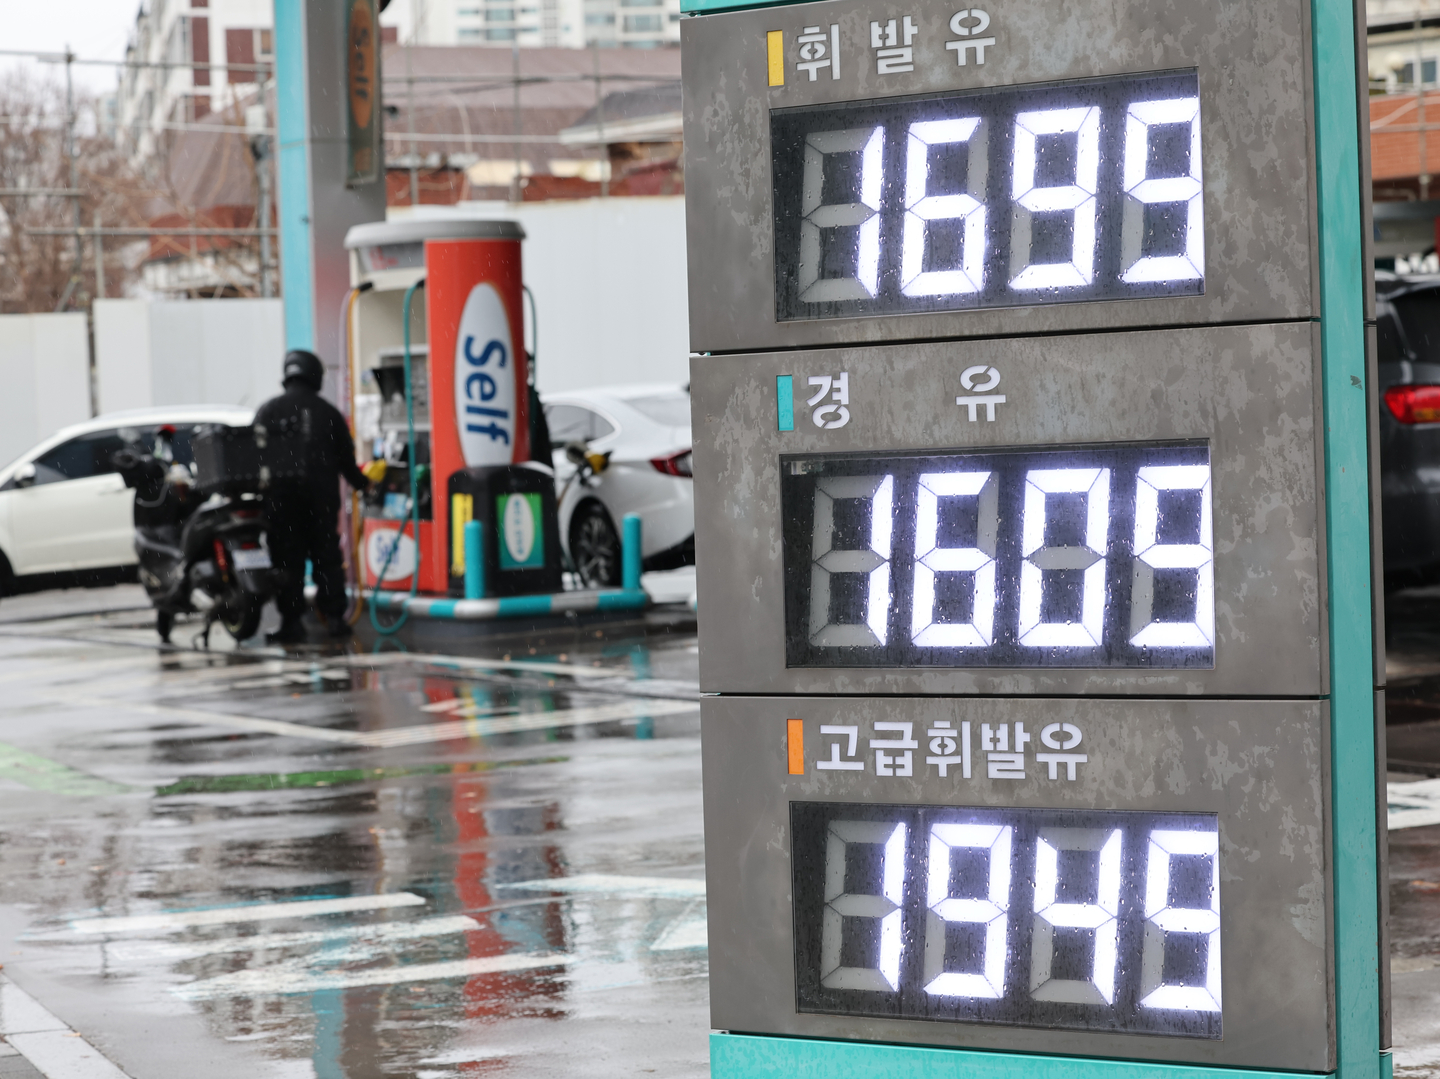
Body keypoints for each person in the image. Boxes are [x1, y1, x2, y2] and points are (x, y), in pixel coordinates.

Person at [255, 350, 370, 643]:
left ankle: (292, 623)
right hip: (321, 502)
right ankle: (334, 619)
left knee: (286, 562)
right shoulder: (329, 414)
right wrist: (366, 485)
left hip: (282, 504)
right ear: (315, 374)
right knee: (326, 557)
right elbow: (346, 460)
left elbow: (254, 458)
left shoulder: (268, 411)